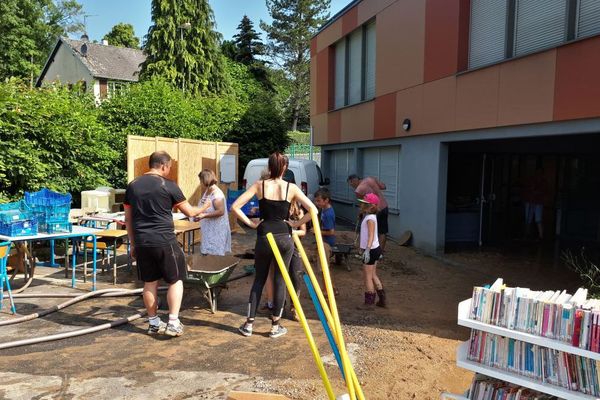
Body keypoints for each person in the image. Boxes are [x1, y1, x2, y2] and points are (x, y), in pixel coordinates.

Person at [232, 152, 316, 338]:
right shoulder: (291, 187)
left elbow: (235, 206)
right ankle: (275, 326)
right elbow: (314, 210)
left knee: (259, 279)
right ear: (285, 168)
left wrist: (252, 223)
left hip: (264, 236)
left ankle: (249, 325)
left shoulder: (259, 185)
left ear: (269, 167)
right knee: (279, 280)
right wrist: (294, 224)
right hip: (284, 237)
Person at [125, 151, 206, 337]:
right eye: (169, 167)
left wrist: (133, 243)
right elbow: (191, 212)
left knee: (149, 282)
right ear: (163, 165)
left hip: (142, 241)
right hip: (164, 241)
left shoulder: (133, 186)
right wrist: (205, 206)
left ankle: (153, 323)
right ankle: (173, 322)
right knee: (175, 280)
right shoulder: (169, 185)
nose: (169, 170)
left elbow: (128, 218)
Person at [357, 193, 386, 309]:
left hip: (371, 249)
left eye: (364, 203)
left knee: (368, 276)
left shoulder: (370, 219)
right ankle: (382, 299)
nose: (361, 205)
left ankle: (369, 303)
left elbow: (371, 235)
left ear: (371, 206)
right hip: (375, 248)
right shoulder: (370, 217)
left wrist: (367, 250)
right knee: (373, 274)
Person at [347, 174, 389, 255]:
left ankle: (364, 251)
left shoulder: (359, 190)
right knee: (382, 231)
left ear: (353, 181)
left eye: (351, 184)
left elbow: (362, 205)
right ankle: (379, 253)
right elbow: (383, 186)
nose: (351, 186)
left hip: (373, 210)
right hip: (384, 207)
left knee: (368, 230)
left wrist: (360, 214)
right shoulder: (371, 179)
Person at [194, 169, 231, 256]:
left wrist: (204, 215)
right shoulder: (208, 190)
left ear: (205, 180)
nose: (200, 183)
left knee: (214, 256)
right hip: (208, 230)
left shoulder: (217, 194)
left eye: (200, 180)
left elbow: (221, 211)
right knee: (207, 254)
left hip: (216, 231)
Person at [522, 166, 549, 241]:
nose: (538, 174)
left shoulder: (543, 181)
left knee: (538, 219)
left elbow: (544, 192)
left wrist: (536, 192)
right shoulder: (531, 180)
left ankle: (541, 236)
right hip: (530, 201)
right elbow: (527, 189)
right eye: (537, 172)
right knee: (528, 219)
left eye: (540, 172)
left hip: (538, 202)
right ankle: (527, 235)